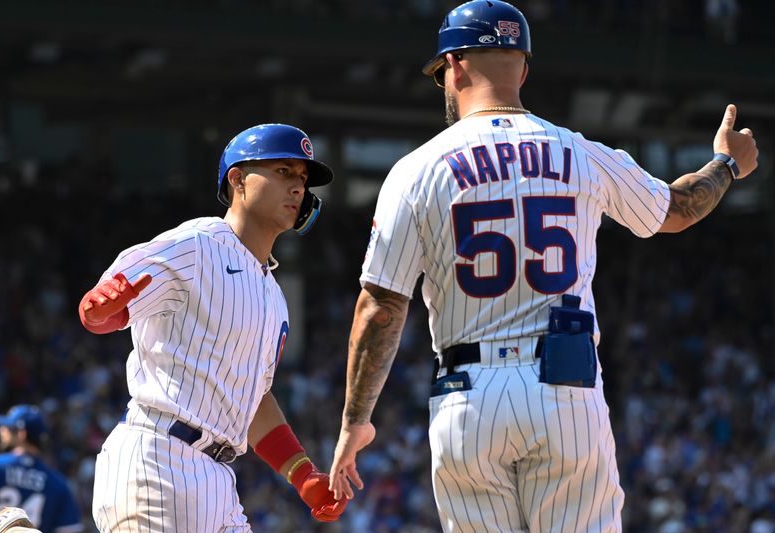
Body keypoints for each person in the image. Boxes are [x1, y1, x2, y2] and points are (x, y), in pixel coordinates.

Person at [328, 1, 759, 532]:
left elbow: (381, 306)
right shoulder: (579, 152)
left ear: (455, 64)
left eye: (443, 73)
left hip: (468, 396)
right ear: (523, 69)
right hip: (565, 385)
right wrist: (727, 163)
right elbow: (676, 210)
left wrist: (355, 421)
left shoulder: (416, 169)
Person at [78, 124, 348, 532]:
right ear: (238, 179)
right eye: (284, 172)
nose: (298, 188)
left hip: (219, 479)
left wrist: (302, 474)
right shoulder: (199, 243)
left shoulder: (274, 296)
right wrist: (101, 309)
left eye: (302, 179)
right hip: (159, 459)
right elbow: (109, 304)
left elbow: (252, 397)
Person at [0, 405, 83, 533]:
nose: (2, 429)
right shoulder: (58, 484)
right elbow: (69, 530)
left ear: (22, 434)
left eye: (8, 427)